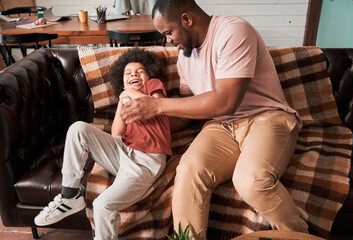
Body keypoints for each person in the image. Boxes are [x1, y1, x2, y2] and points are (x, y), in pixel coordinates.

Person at [119, 0, 309, 239]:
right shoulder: (184, 58)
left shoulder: (233, 31)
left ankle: (301, 235)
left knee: (250, 181)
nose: (167, 40)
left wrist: (157, 106)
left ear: (187, 19)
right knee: (188, 170)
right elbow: (187, 109)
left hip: (266, 117)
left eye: (168, 32)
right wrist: (146, 126)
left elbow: (226, 101)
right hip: (221, 125)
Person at [34, 48, 172, 240]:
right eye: (128, 73)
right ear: (121, 81)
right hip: (122, 152)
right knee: (78, 128)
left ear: (149, 75)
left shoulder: (153, 86)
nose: (134, 74)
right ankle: (69, 195)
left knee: (102, 205)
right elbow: (116, 133)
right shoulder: (124, 98)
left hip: (145, 162)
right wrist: (123, 101)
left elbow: (156, 105)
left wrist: (131, 91)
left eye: (140, 71)